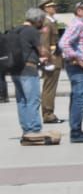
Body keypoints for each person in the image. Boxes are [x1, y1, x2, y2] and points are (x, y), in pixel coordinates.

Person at [12, 8, 55, 145]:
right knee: (33, 100)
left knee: (22, 101)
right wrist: (49, 55)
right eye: (42, 20)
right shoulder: (32, 31)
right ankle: (34, 130)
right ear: (38, 20)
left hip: (15, 70)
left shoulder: (15, 30)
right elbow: (42, 51)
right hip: (29, 69)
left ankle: (26, 130)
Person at [58, 0, 83, 143]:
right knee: (80, 99)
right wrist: (78, 59)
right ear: (79, 11)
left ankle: (76, 129)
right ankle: (76, 132)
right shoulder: (77, 25)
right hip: (78, 67)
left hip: (81, 66)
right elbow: (63, 43)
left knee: (78, 98)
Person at [36, 0, 62, 124]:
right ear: (45, 9)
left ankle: (49, 112)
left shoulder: (51, 21)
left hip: (55, 58)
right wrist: (47, 60)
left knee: (50, 87)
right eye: (51, 6)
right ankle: (48, 113)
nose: (54, 8)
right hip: (52, 59)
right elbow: (45, 43)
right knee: (49, 88)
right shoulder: (47, 22)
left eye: (54, 6)